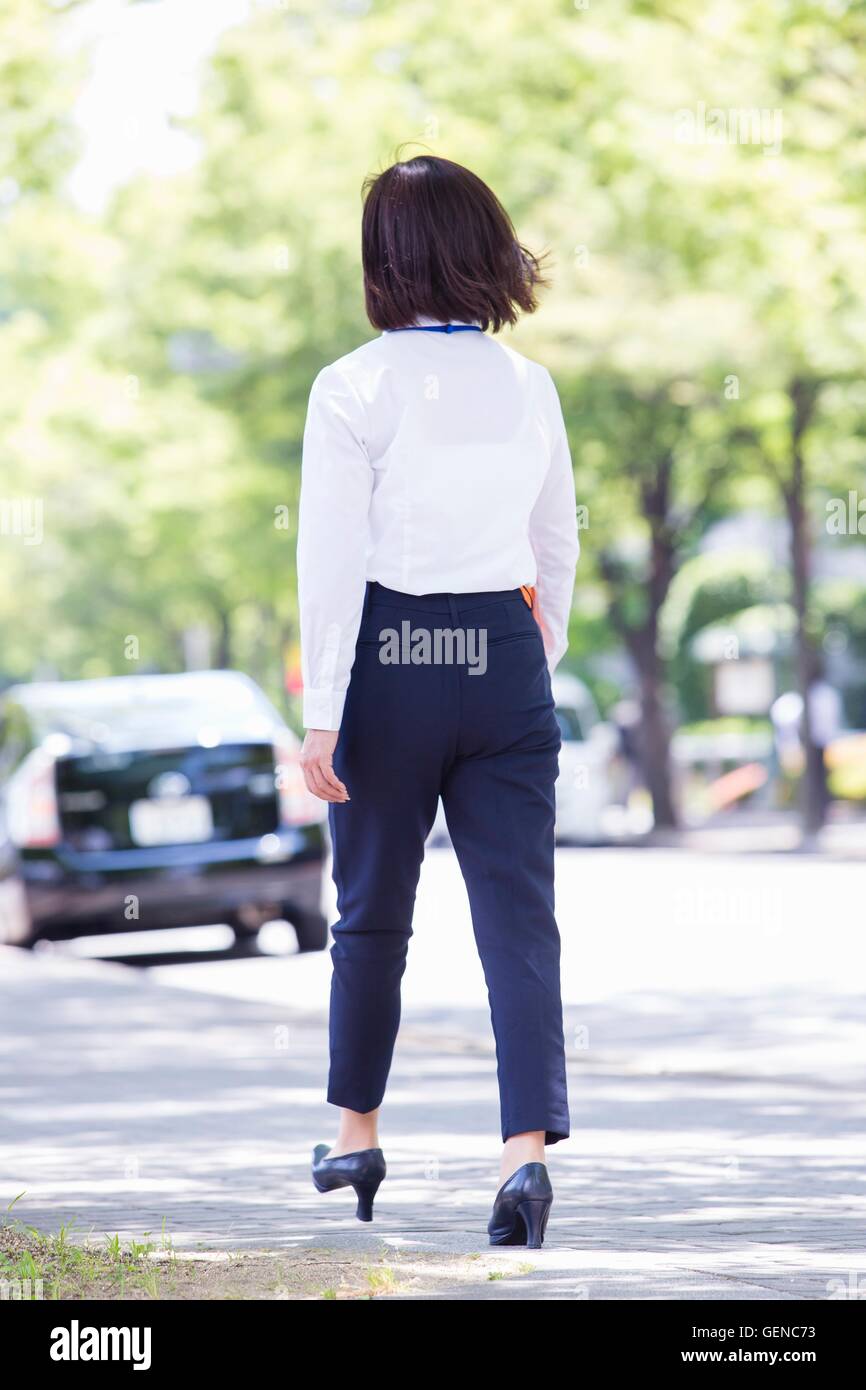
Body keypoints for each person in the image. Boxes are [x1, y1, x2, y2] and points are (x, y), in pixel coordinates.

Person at [297, 155, 580, 1248]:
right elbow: (553, 543)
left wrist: (325, 710)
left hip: (390, 655)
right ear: (483, 247)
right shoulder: (529, 385)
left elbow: (330, 564)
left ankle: (356, 1131)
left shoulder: (350, 386)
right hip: (501, 654)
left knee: (371, 914)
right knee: (518, 919)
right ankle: (522, 1159)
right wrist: (527, 652)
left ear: (384, 259)